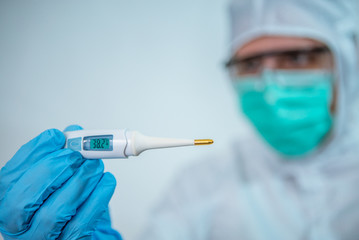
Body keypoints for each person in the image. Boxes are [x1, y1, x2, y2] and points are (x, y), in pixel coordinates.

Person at [0, 0, 358, 239]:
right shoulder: (199, 186)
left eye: (295, 58)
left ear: (346, 64)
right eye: (249, 65)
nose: (268, 84)